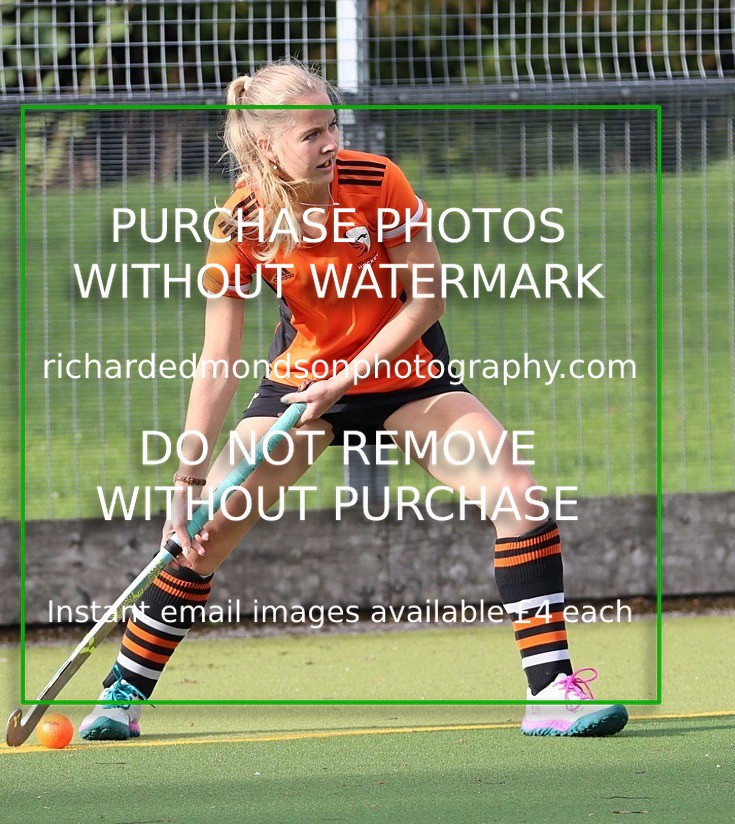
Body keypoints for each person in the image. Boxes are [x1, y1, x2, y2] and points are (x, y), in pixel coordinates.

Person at [79, 61, 627, 740]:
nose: (332, 141)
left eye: (333, 124)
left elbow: (426, 300)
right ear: (264, 146)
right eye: (312, 133)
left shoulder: (377, 182)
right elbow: (217, 358)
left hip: (406, 377)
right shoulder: (241, 219)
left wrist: (349, 376)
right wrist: (187, 478)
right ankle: (123, 695)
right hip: (299, 388)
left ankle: (551, 692)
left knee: (520, 497)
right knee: (203, 534)